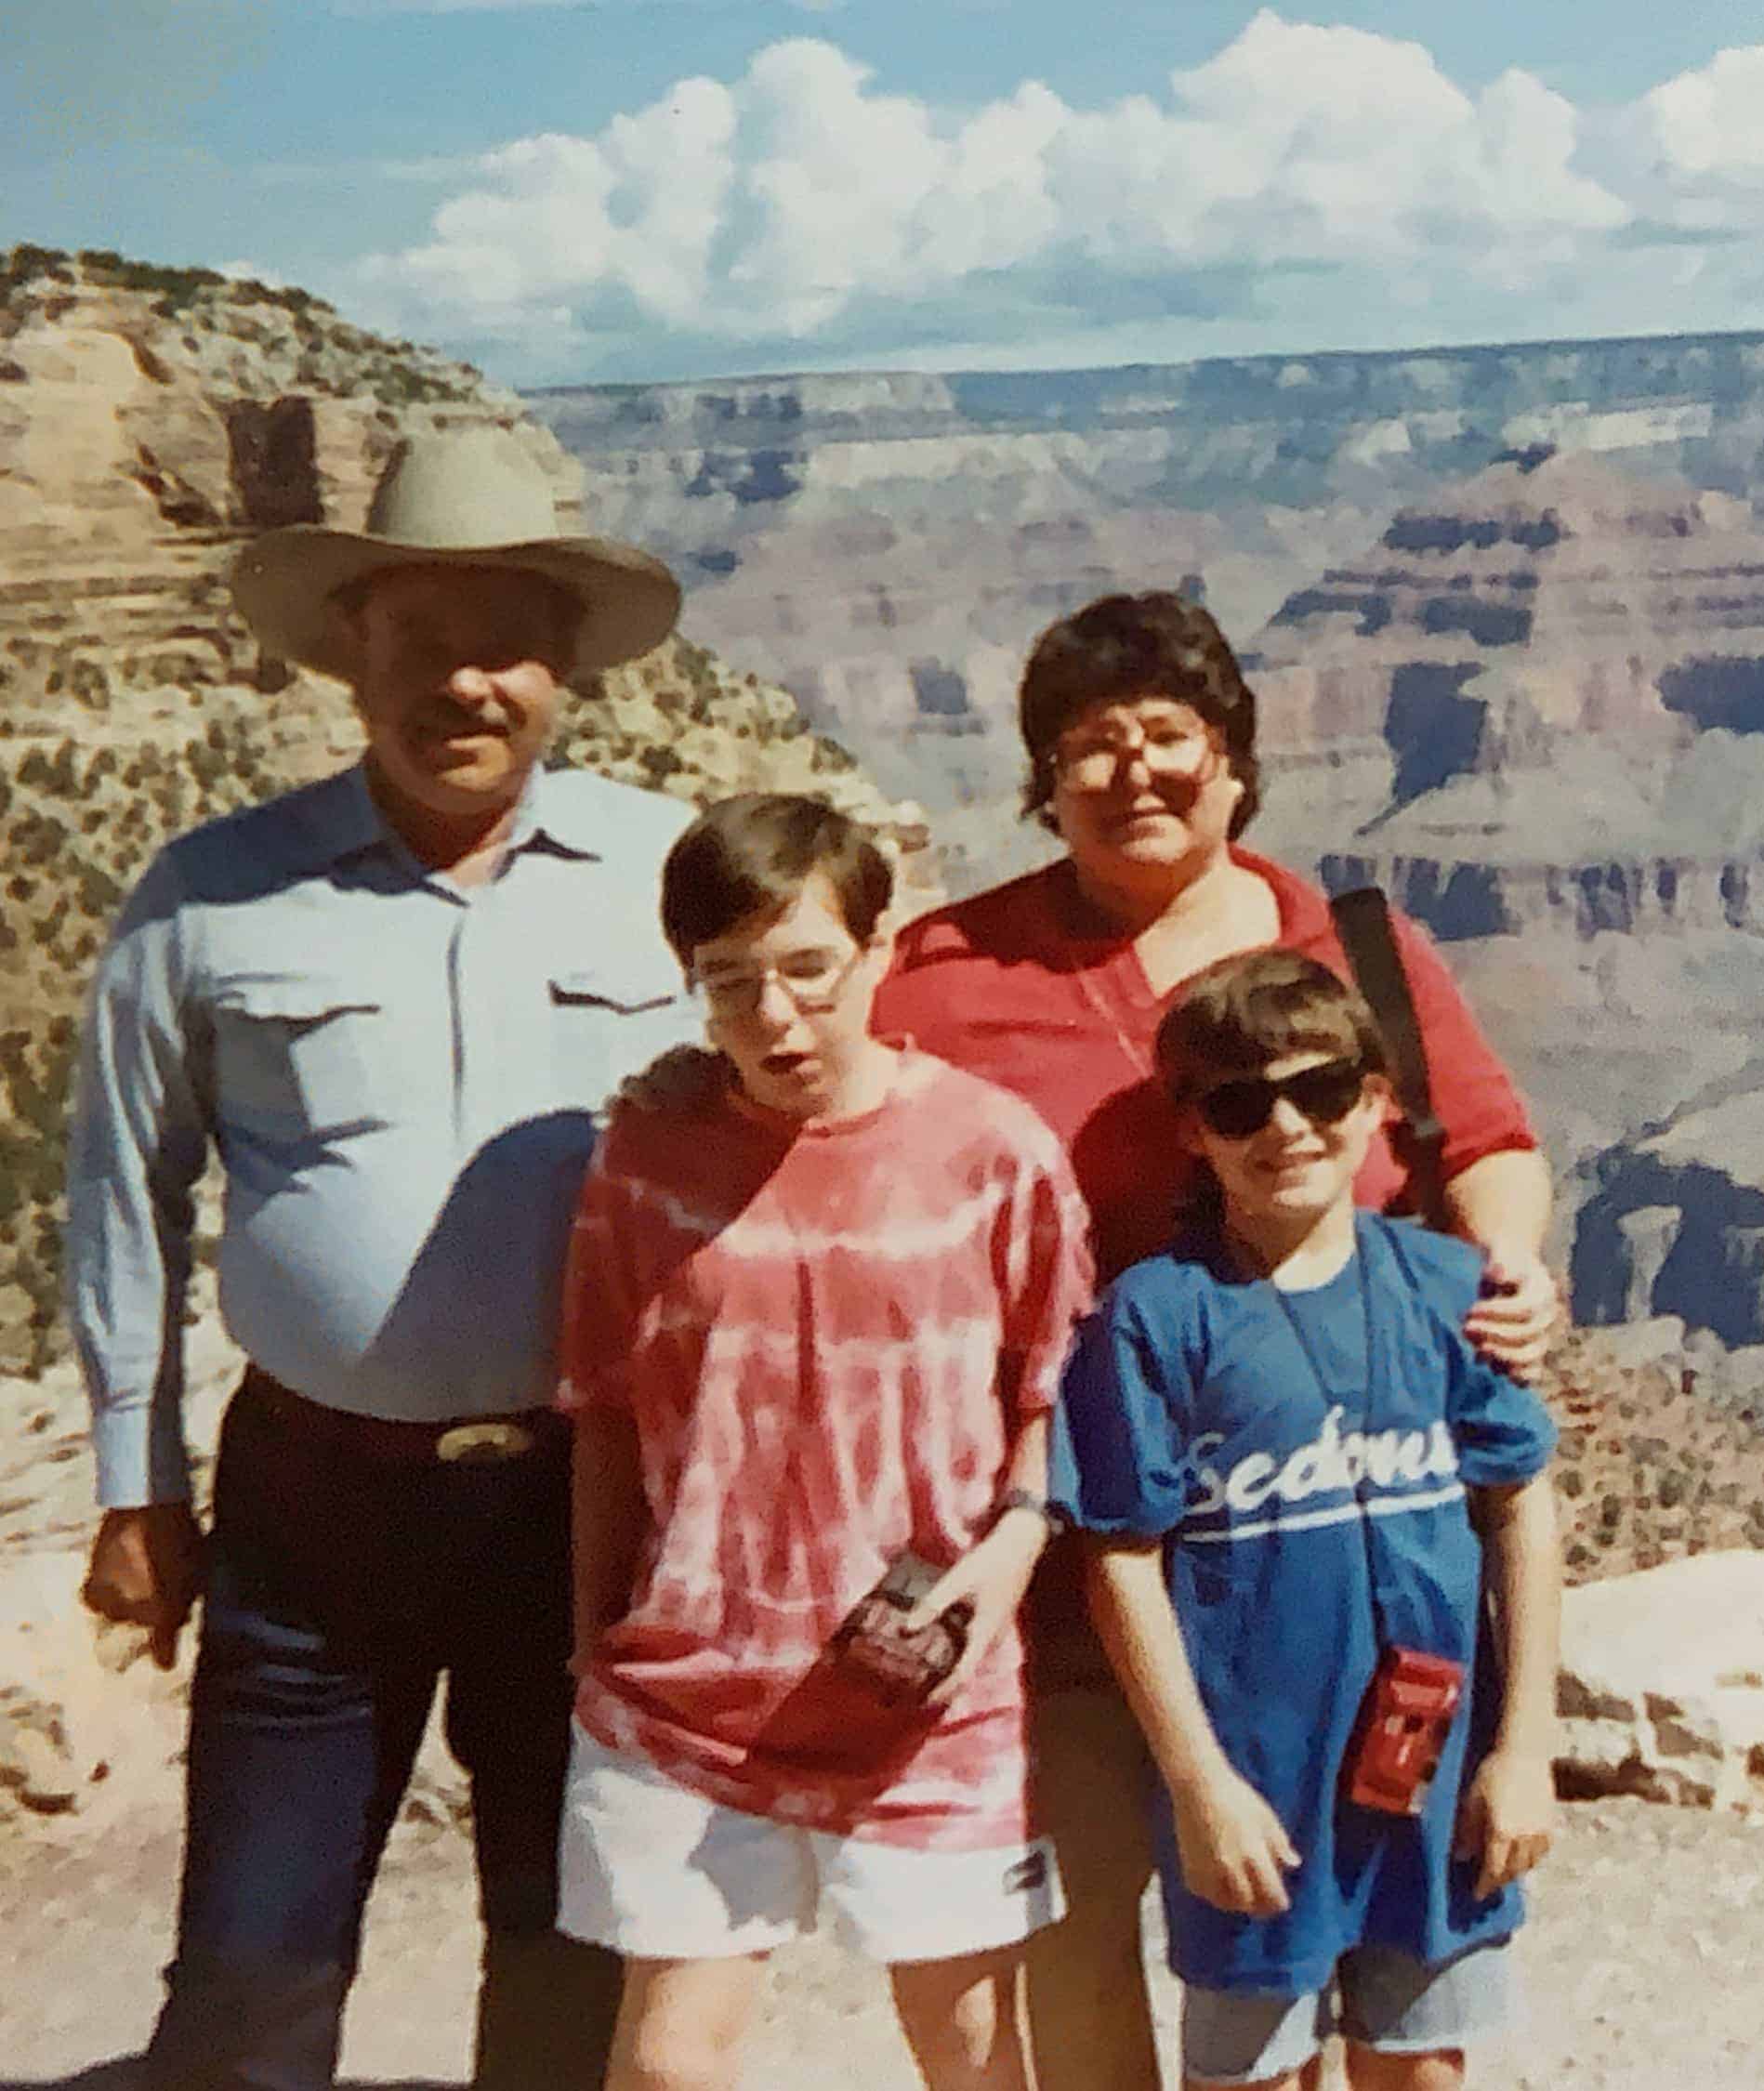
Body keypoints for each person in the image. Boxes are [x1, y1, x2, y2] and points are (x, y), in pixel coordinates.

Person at [861, 591, 1564, 2091]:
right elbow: (831, 1124)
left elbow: (1480, 1136)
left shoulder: (1351, 944)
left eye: (1167, 735)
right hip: (1067, 1539)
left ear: (1235, 761)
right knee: (1093, 1932)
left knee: (1367, 1953)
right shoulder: (944, 971)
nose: (1131, 772)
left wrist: (1510, 1266)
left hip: (1326, 1548)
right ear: (1041, 783)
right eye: (1086, 747)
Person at [64, 427, 697, 2089]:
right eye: (423, 641)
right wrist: (139, 1487)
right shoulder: (207, 900)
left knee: (570, 1937)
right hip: (316, 1504)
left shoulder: (669, 875)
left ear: (563, 667)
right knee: (254, 1960)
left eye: (505, 645)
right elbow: (123, 1182)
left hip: (588, 1494)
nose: (465, 685)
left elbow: (788, 1143)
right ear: (356, 653)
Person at [557, 794, 1092, 2091]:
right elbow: (608, 1409)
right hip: (692, 1683)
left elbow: (1053, 1392)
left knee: (969, 2050)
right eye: (730, 981)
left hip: (923, 1686)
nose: (774, 1016)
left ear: (879, 947)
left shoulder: (990, 1151)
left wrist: (1011, 1556)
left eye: (807, 968)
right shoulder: (648, 1156)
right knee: (673, 2061)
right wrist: (591, 1631)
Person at [1056, 951, 1560, 2091]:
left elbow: (1522, 1502)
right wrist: (1198, 1786)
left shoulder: (1445, 1288)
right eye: (1241, 1105)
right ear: (1193, 1132)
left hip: (1434, 1781)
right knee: (1252, 2075)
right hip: (1257, 1787)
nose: (1287, 1128)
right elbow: (1122, 1558)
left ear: (1378, 1101)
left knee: (1423, 2062)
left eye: (1323, 1093)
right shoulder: (1156, 1319)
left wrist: (1523, 1747)